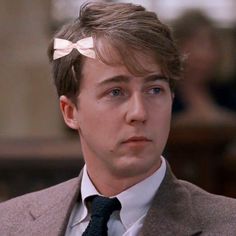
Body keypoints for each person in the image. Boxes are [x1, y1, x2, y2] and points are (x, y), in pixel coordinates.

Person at [0, 2, 236, 235]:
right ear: (70, 112)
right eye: (115, 92)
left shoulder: (227, 225)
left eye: (154, 90)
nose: (139, 113)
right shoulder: (9, 222)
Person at [172, 10, 236, 126]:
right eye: (198, 44)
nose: (206, 55)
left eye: (212, 45)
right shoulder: (165, 92)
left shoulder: (225, 91)